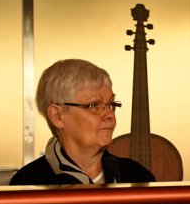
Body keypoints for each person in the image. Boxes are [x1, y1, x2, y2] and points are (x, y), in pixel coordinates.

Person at [10, 59, 156, 185]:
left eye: (111, 104)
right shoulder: (28, 183)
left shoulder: (137, 176)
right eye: (93, 105)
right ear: (57, 116)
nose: (110, 115)